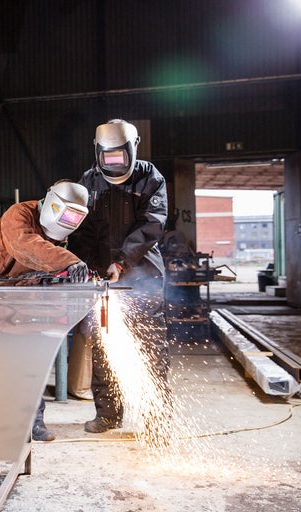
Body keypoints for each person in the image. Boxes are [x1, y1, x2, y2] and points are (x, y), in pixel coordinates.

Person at [68, 119, 170, 435]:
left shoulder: (150, 177)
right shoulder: (88, 180)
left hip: (143, 274)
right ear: (98, 152)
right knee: (103, 344)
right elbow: (82, 232)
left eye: (119, 157)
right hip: (103, 277)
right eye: (107, 157)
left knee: (151, 347)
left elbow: (152, 224)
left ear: (132, 148)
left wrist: (122, 260)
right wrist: (84, 266)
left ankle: (157, 420)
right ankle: (109, 414)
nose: (113, 163)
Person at [0, 180, 91, 441]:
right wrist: (69, 261)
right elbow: (27, 246)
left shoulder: (57, 231)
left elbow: (45, 264)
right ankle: (3, 424)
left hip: (31, 306)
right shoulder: (18, 215)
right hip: (0, 305)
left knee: (33, 367)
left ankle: (34, 422)